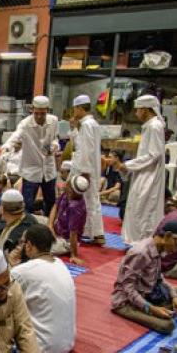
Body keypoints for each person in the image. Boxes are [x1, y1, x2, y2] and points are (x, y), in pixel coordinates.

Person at [111, 219, 177, 334]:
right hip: (127, 302)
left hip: (149, 293)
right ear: (168, 236)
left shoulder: (158, 249)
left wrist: (174, 297)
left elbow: (159, 277)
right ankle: (153, 310)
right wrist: (151, 309)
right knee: (167, 325)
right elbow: (127, 287)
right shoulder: (141, 253)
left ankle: (160, 309)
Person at [10, 225, 76, 353]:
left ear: (28, 245)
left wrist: (11, 265)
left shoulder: (22, 271)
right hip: (67, 344)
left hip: (40, 349)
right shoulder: (60, 263)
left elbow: (0, 302)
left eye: (22, 243)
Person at [115, 95, 167, 245]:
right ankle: (136, 241)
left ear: (145, 110)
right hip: (144, 172)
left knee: (143, 209)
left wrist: (128, 165)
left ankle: (142, 243)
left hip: (149, 175)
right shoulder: (150, 126)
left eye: (137, 110)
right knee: (137, 206)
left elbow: (154, 154)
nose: (136, 113)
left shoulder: (154, 127)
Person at [5, 95, 60, 216]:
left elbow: (55, 139)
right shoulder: (25, 124)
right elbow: (15, 136)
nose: (39, 116)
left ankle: (49, 226)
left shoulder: (54, 121)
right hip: (31, 171)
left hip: (49, 170)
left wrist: (55, 146)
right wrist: (7, 147)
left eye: (42, 113)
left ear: (47, 111)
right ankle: (26, 229)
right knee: (27, 204)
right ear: (32, 110)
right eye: (36, 113)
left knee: (51, 201)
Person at [69, 95, 105, 245]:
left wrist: (84, 172)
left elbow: (86, 150)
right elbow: (80, 145)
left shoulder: (88, 125)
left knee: (89, 201)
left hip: (86, 169)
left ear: (79, 108)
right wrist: (73, 129)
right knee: (90, 200)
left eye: (75, 109)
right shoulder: (90, 124)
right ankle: (90, 232)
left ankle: (97, 234)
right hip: (87, 167)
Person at [48, 174, 88, 264]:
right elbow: (55, 206)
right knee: (32, 218)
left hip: (65, 241)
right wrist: (50, 225)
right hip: (55, 227)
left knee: (39, 249)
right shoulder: (66, 194)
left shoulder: (76, 207)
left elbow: (73, 234)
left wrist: (74, 255)